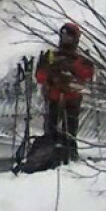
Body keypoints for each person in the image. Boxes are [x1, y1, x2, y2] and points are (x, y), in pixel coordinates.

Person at [34, 23, 95, 162]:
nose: (66, 40)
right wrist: (52, 74)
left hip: (72, 98)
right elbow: (39, 76)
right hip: (53, 98)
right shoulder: (50, 55)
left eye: (69, 37)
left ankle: (71, 157)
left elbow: (88, 73)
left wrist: (70, 67)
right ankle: (49, 157)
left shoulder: (80, 58)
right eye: (64, 36)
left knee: (70, 132)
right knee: (51, 130)